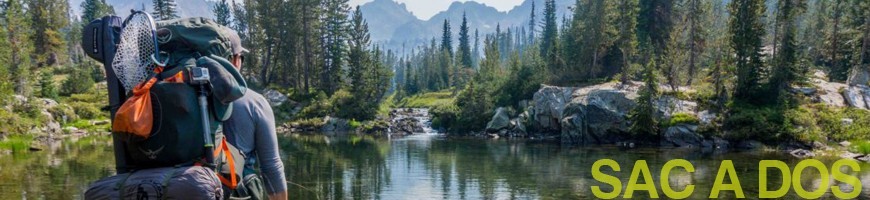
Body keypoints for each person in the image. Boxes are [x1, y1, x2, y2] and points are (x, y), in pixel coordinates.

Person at [222, 30, 288, 200]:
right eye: (241, 57)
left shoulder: (157, 99)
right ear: (235, 60)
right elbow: (271, 167)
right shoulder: (255, 103)